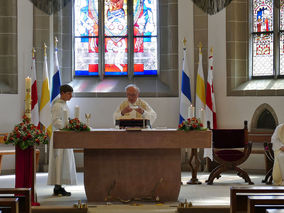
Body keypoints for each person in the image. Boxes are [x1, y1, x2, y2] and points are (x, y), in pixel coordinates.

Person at [47, 84, 77, 196]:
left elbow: (64, 120)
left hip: (64, 136)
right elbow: (55, 121)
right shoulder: (57, 105)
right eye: (69, 93)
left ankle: (60, 185)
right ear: (62, 93)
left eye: (71, 94)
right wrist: (66, 126)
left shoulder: (63, 104)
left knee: (63, 162)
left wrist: (70, 124)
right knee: (58, 162)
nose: (71, 96)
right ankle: (57, 186)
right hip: (59, 136)